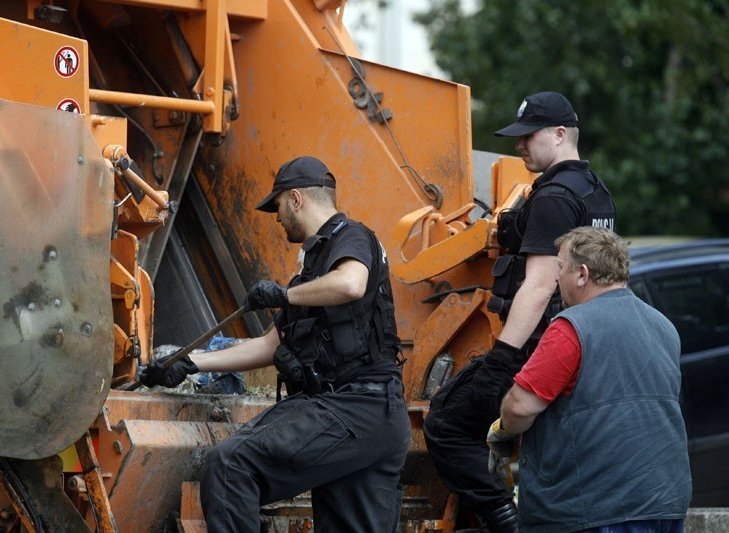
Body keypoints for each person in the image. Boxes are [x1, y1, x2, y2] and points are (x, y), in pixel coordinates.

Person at [139, 156, 411, 532]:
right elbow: (270, 345)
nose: (277, 217)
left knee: (231, 465)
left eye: (278, 206)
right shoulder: (312, 269)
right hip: (370, 416)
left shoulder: (352, 236)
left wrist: (284, 294)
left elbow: (351, 284)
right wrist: (190, 363)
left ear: (296, 198)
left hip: (357, 405)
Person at [423, 91, 617, 532]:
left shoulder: (552, 197)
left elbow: (539, 284)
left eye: (529, 136)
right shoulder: (597, 192)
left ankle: (504, 518)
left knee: (448, 421)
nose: (519, 145)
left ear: (560, 134)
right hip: (587, 347)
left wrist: (502, 361)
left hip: (541, 347)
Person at [487, 227, 692, 532]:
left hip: (595, 510)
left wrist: (502, 432)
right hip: (664, 502)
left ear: (582, 274)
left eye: (560, 268)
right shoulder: (662, 325)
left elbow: (520, 407)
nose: (557, 279)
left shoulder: (571, 328)